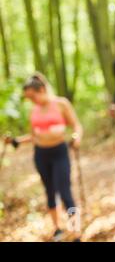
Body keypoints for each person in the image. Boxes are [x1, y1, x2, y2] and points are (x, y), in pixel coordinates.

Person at [4, 73, 84, 241]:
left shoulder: (61, 104)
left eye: (33, 96)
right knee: (49, 192)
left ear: (41, 89)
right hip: (41, 155)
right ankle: (57, 228)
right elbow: (33, 135)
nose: (31, 101)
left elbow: (76, 124)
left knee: (65, 192)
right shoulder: (34, 110)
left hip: (59, 153)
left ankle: (75, 230)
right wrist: (16, 141)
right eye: (29, 99)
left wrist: (77, 136)